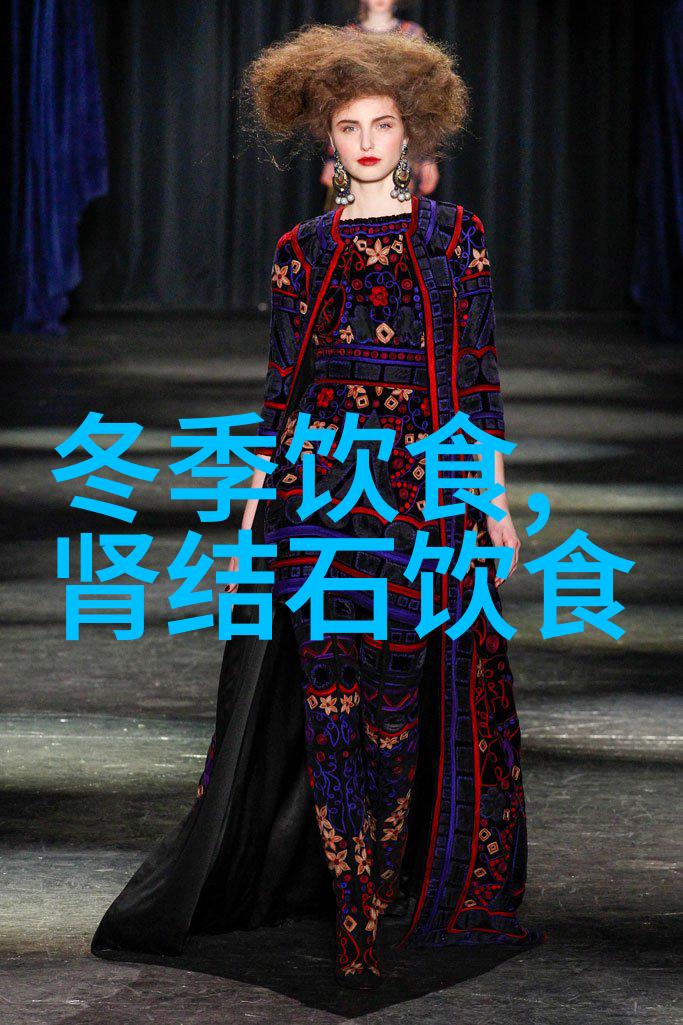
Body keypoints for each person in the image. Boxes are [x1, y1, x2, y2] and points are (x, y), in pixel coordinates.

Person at [90, 24, 548, 992]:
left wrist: (494, 499)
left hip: (420, 503)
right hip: (319, 500)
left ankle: (383, 879)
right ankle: (353, 914)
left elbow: (476, 380)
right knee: (329, 703)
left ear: (410, 130)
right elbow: (279, 394)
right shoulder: (301, 251)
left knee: (396, 710)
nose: (368, 142)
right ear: (325, 138)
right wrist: (251, 517)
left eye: (382, 124)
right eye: (349, 126)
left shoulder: (455, 239)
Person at [319, 0, 439, 209]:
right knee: (357, 213)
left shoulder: (412, 34)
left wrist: (428, 158)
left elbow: (422, 100)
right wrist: (332, 158)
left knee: (399, 213)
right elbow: (335, 102)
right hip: (357, 137)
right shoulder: (348, 37)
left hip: (400, 138)